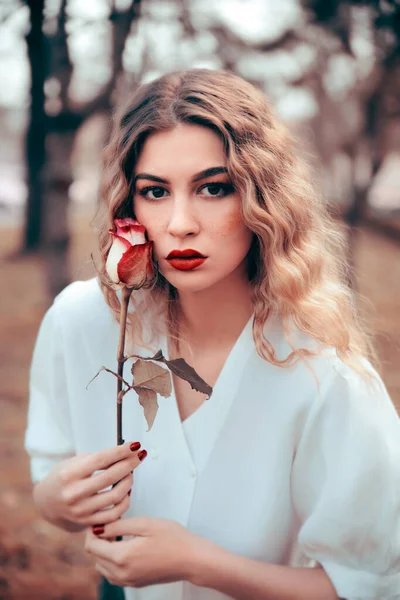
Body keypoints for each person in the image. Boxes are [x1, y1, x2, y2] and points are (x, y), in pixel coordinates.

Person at [25, 69, 400, 600]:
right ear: (128, 207)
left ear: (262, 198)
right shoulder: (83, 323)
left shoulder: (323, 371)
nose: (180, 223)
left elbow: (372, 584)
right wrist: (57, 502)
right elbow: (48, 479)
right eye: (155, 191)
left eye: (213, 188)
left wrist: (200, 564)